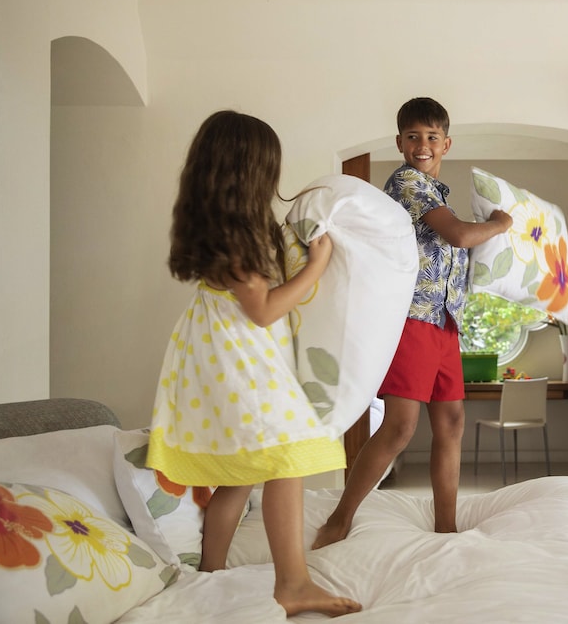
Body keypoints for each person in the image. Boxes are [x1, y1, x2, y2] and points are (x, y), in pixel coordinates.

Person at [146, 110, 361, 618]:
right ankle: (293, 583)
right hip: (239, 358)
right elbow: (263, 310)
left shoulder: (220, 227)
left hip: (224, 352)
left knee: (243, 472)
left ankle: (210, 573)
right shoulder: (237, 235)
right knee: (285, 456)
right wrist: (316, 267)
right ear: (250, 172)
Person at [312, 97, 511, 549]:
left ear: (446, 144)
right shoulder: (406, 183)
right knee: (400, 426)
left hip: (444, 321)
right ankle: (339, 519)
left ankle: (446, 527)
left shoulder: (438, 193)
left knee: (452, 422)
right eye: (414, 137)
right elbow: (459, 234)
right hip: (413, 319)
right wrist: (500, 224)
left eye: (432, 137)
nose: (423, 145)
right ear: (400, 143)